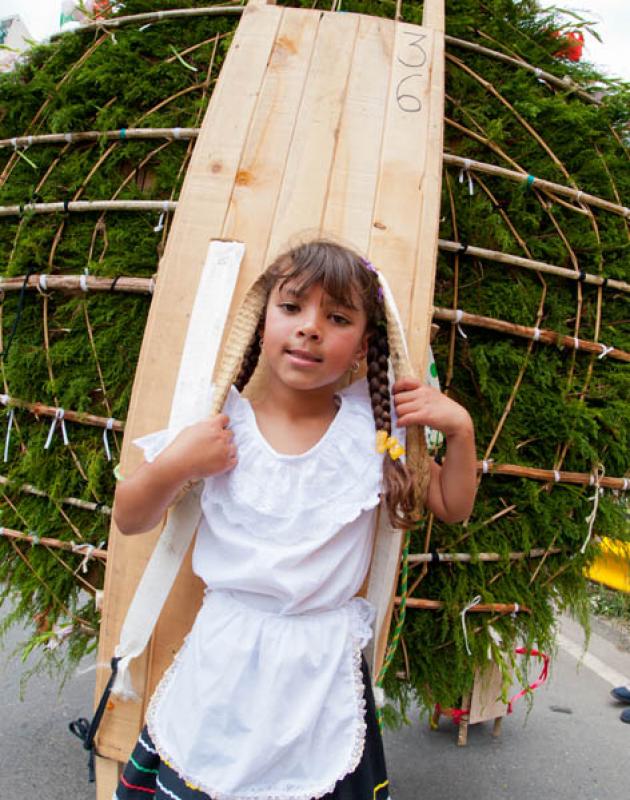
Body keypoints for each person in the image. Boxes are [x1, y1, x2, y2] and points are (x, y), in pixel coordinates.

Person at [112, 239, 478, 800]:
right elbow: (131, 517)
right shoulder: (216, 425)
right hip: (221, 671)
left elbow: (452, 507)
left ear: (363, 345)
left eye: (336, 317)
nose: (310, 328)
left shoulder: (372, 436)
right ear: (263, 323)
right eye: (291, 308)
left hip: (321, 674)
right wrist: (179, 462)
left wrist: (460, 431)